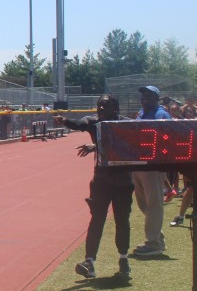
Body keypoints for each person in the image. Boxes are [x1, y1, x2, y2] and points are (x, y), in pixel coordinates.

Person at [54, 96, 133, 279]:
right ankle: (89, 261)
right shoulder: (93, 122)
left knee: (122, 220)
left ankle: (123, 259)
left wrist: (95, 146)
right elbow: (78, 124)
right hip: (101, 181)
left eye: (105, 105)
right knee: (97, 219)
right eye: (99, 105)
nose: (101, 108)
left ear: (115, 108)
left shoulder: (126, 124)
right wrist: (64, 120)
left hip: (123, 181)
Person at [132, 85, 171, 256]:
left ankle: (153, 243)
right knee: (144, 204)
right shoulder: (141, 113)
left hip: (153, 165)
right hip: (139, 163)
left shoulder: (161, 115)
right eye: (143, 95)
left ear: (156, 98)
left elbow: (167, 140)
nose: (144, 98)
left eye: (148, 96)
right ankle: (157, 238)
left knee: (154, 204)